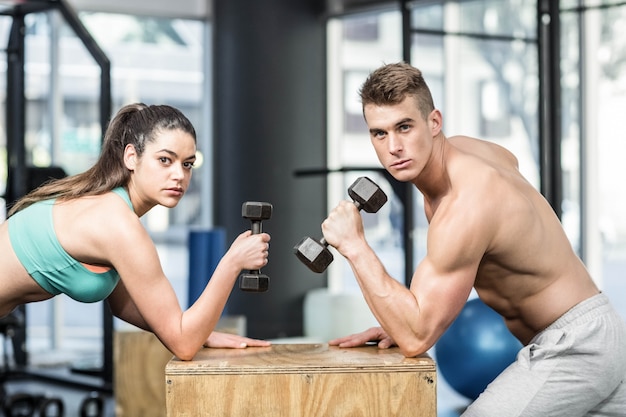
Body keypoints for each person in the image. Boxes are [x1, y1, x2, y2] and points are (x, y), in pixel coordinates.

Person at [324, 62, 626, 416]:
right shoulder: (469, 154)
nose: (393, 147)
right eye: (380, 133)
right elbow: (468, 268)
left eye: (404, 127)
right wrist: (400, 319)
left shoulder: (464, 204)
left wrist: (356, 247)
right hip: (595, 331)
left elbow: (416, 338)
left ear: (434, 122)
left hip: (574, 347)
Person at [0, 103, 271, 361]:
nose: (179, 175)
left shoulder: (112, 207)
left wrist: (201, 332)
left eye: (187, 164)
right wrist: (232, 262)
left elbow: (124, 304)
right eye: (165, 160)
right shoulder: (118, 225)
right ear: (131, 157)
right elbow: (184, 345)